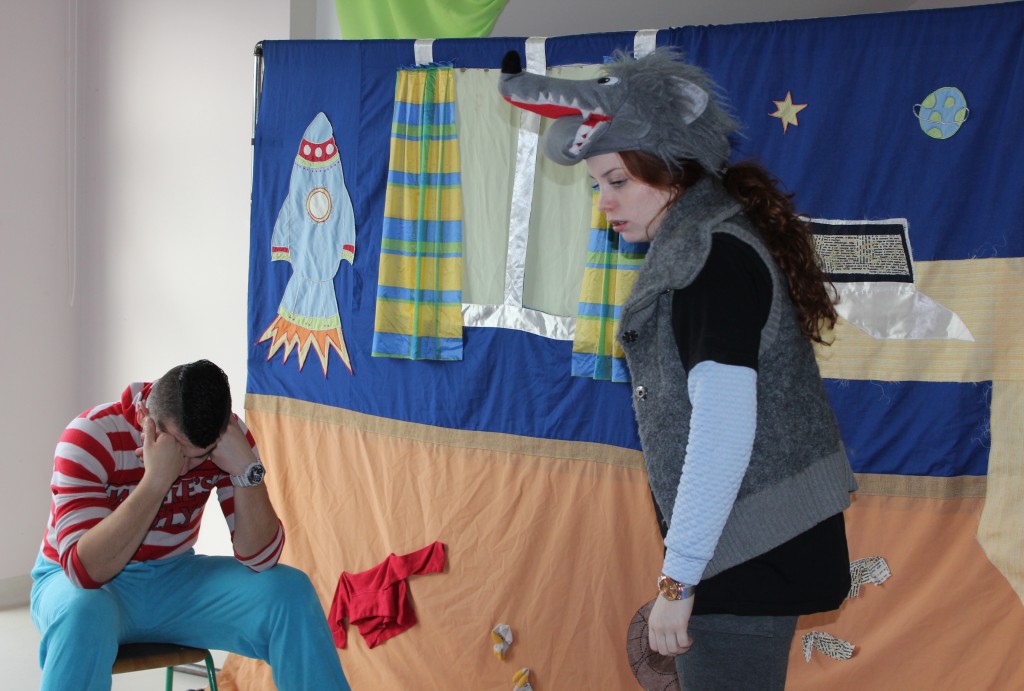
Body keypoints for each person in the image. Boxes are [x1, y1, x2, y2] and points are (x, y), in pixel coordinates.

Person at [500, 49, 857, 689]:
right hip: (755, 539)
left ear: (670, 168)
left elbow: (721, 433)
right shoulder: (711, 238)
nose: (605, 202)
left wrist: (678, 581)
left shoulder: (705, 261)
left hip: (747, 551)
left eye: (618, 181)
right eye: (597, 185)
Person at [31, 359, 349, 691]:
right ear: (145, 417)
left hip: (173, 578)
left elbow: (261, 558)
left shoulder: (228, 438)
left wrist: (247, 470)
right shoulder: (89, 435)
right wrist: (156, 481)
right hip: (80, 583)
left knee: (290, 592)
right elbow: (85, 572)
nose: (183, 467)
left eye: (198, 456)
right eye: (176, 450)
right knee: (84, 612)